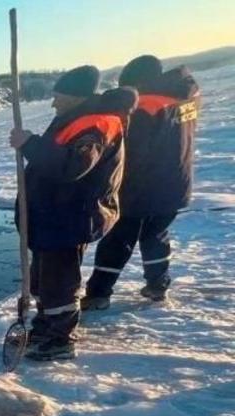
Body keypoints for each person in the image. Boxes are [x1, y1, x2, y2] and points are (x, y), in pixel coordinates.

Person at [9, 66, 137, 361]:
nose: (53, 103)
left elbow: (71, 167)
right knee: (43, 279)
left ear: (75, 97)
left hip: (69, 217)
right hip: (54, 215)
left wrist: (29, 144)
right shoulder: (77, 119)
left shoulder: (96, 126)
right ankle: (45, 326)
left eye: (58, 97)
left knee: (59, 282)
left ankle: (60, 341)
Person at [82, 55, 200, 308]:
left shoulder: (145, 105)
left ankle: (98, 294)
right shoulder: (185, 96)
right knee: (155, 233)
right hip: (176, 182)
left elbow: (131, 148)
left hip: (142, 185)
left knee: (117, 237)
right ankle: (158, 285)